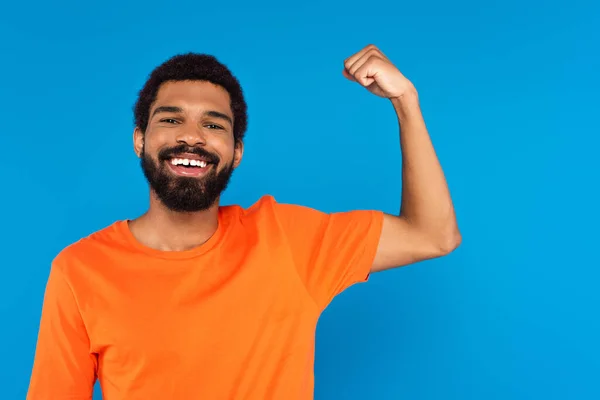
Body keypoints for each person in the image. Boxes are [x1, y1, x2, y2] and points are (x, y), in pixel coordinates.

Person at [26, 44, 461, 400]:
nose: (191, 137)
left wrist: (406, 103)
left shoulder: (288, 241)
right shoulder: (79, 270)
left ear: (236, 152)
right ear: (140, 140)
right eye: (171, 119)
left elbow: (433, 236)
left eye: (213, 124)